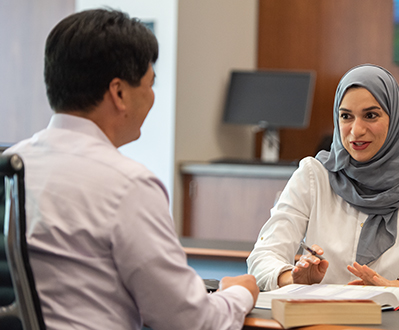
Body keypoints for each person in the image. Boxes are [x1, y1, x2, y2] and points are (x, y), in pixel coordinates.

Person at [3, 9, 258, 330]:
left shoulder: (10, 166)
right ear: (119, 93)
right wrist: (239, 293)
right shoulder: (127, 185)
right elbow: (193, 322)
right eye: (150, 85)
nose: (151, 97)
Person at [247, 64, 399, 305]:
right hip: (321, 322)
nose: (356, 131)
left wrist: (396, 287)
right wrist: (292, 279)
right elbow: (262, 257)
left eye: (371, 115)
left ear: (395, 118)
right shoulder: (313, 176)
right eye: (346, 116)